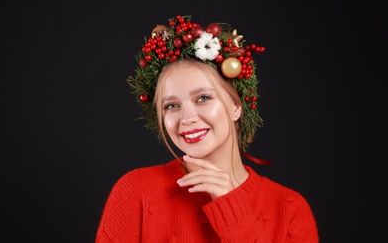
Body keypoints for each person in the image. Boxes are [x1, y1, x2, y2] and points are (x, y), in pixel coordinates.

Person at [96, 15, 319, 242]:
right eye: (172, 105)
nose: (187, 118)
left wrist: (231, 206)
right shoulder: (135, 191)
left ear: (236, 106)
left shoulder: (290, 209)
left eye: (203, 98)